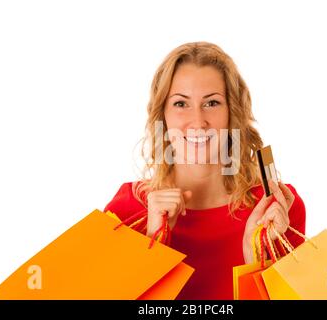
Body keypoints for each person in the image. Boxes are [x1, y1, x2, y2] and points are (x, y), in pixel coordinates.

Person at [104, 41, 306, 300]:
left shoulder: (276, 209)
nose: (198, 122)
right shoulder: (128, 212)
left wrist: (256, 261)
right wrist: (153, 243)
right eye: (180, 103)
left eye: (211, 103)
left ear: (232, 112)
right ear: (162, 114)